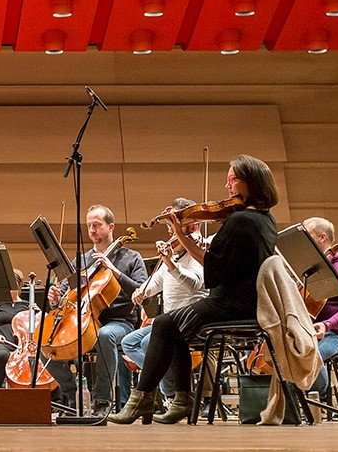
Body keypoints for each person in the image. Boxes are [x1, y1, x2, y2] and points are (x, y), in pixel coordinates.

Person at [110, 154, 281, 425]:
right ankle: (180, 401)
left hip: (232, 302)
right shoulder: (265, 220)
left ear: (252, 182)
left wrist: (180, 236)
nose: (227, 186)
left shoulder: (240, 221)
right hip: (250, 301)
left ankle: (143, 398)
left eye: (232, 179)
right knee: (173, 328)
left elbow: (212, 272)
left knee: (164, 324)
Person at [44, 205, 146, 415]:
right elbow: (65, 295)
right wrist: (54, 300)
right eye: (89, 226)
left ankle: (102, 401)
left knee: (104, 335)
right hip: (82, 320)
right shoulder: (80, 261)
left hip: (119, 322)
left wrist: (115, 271)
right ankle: (72, 396)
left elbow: (142, 290)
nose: (92, 230)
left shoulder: (131, 258)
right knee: (42, 344)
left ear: (110, 227)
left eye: (97, 225)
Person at [122, 198, 207, 400]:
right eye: (170, 228)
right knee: (129, 343)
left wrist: (170, 263)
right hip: (168, 322)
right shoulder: (174, 256)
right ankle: (163, 380)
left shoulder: (198, 254)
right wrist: (141, 291)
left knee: (147, 345)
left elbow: (195, 283)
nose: (171, 233)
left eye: (175, 228)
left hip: (189, 321)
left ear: (192, 227)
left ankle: (171, 395)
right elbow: (155, 283)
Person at [302, 216, 338, 398]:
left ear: (322, 237)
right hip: (308, 331)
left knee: (311, 356)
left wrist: (327, 324)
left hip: (335, 334)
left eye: (307, 235)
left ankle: (318, 392)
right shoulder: (309, 270)